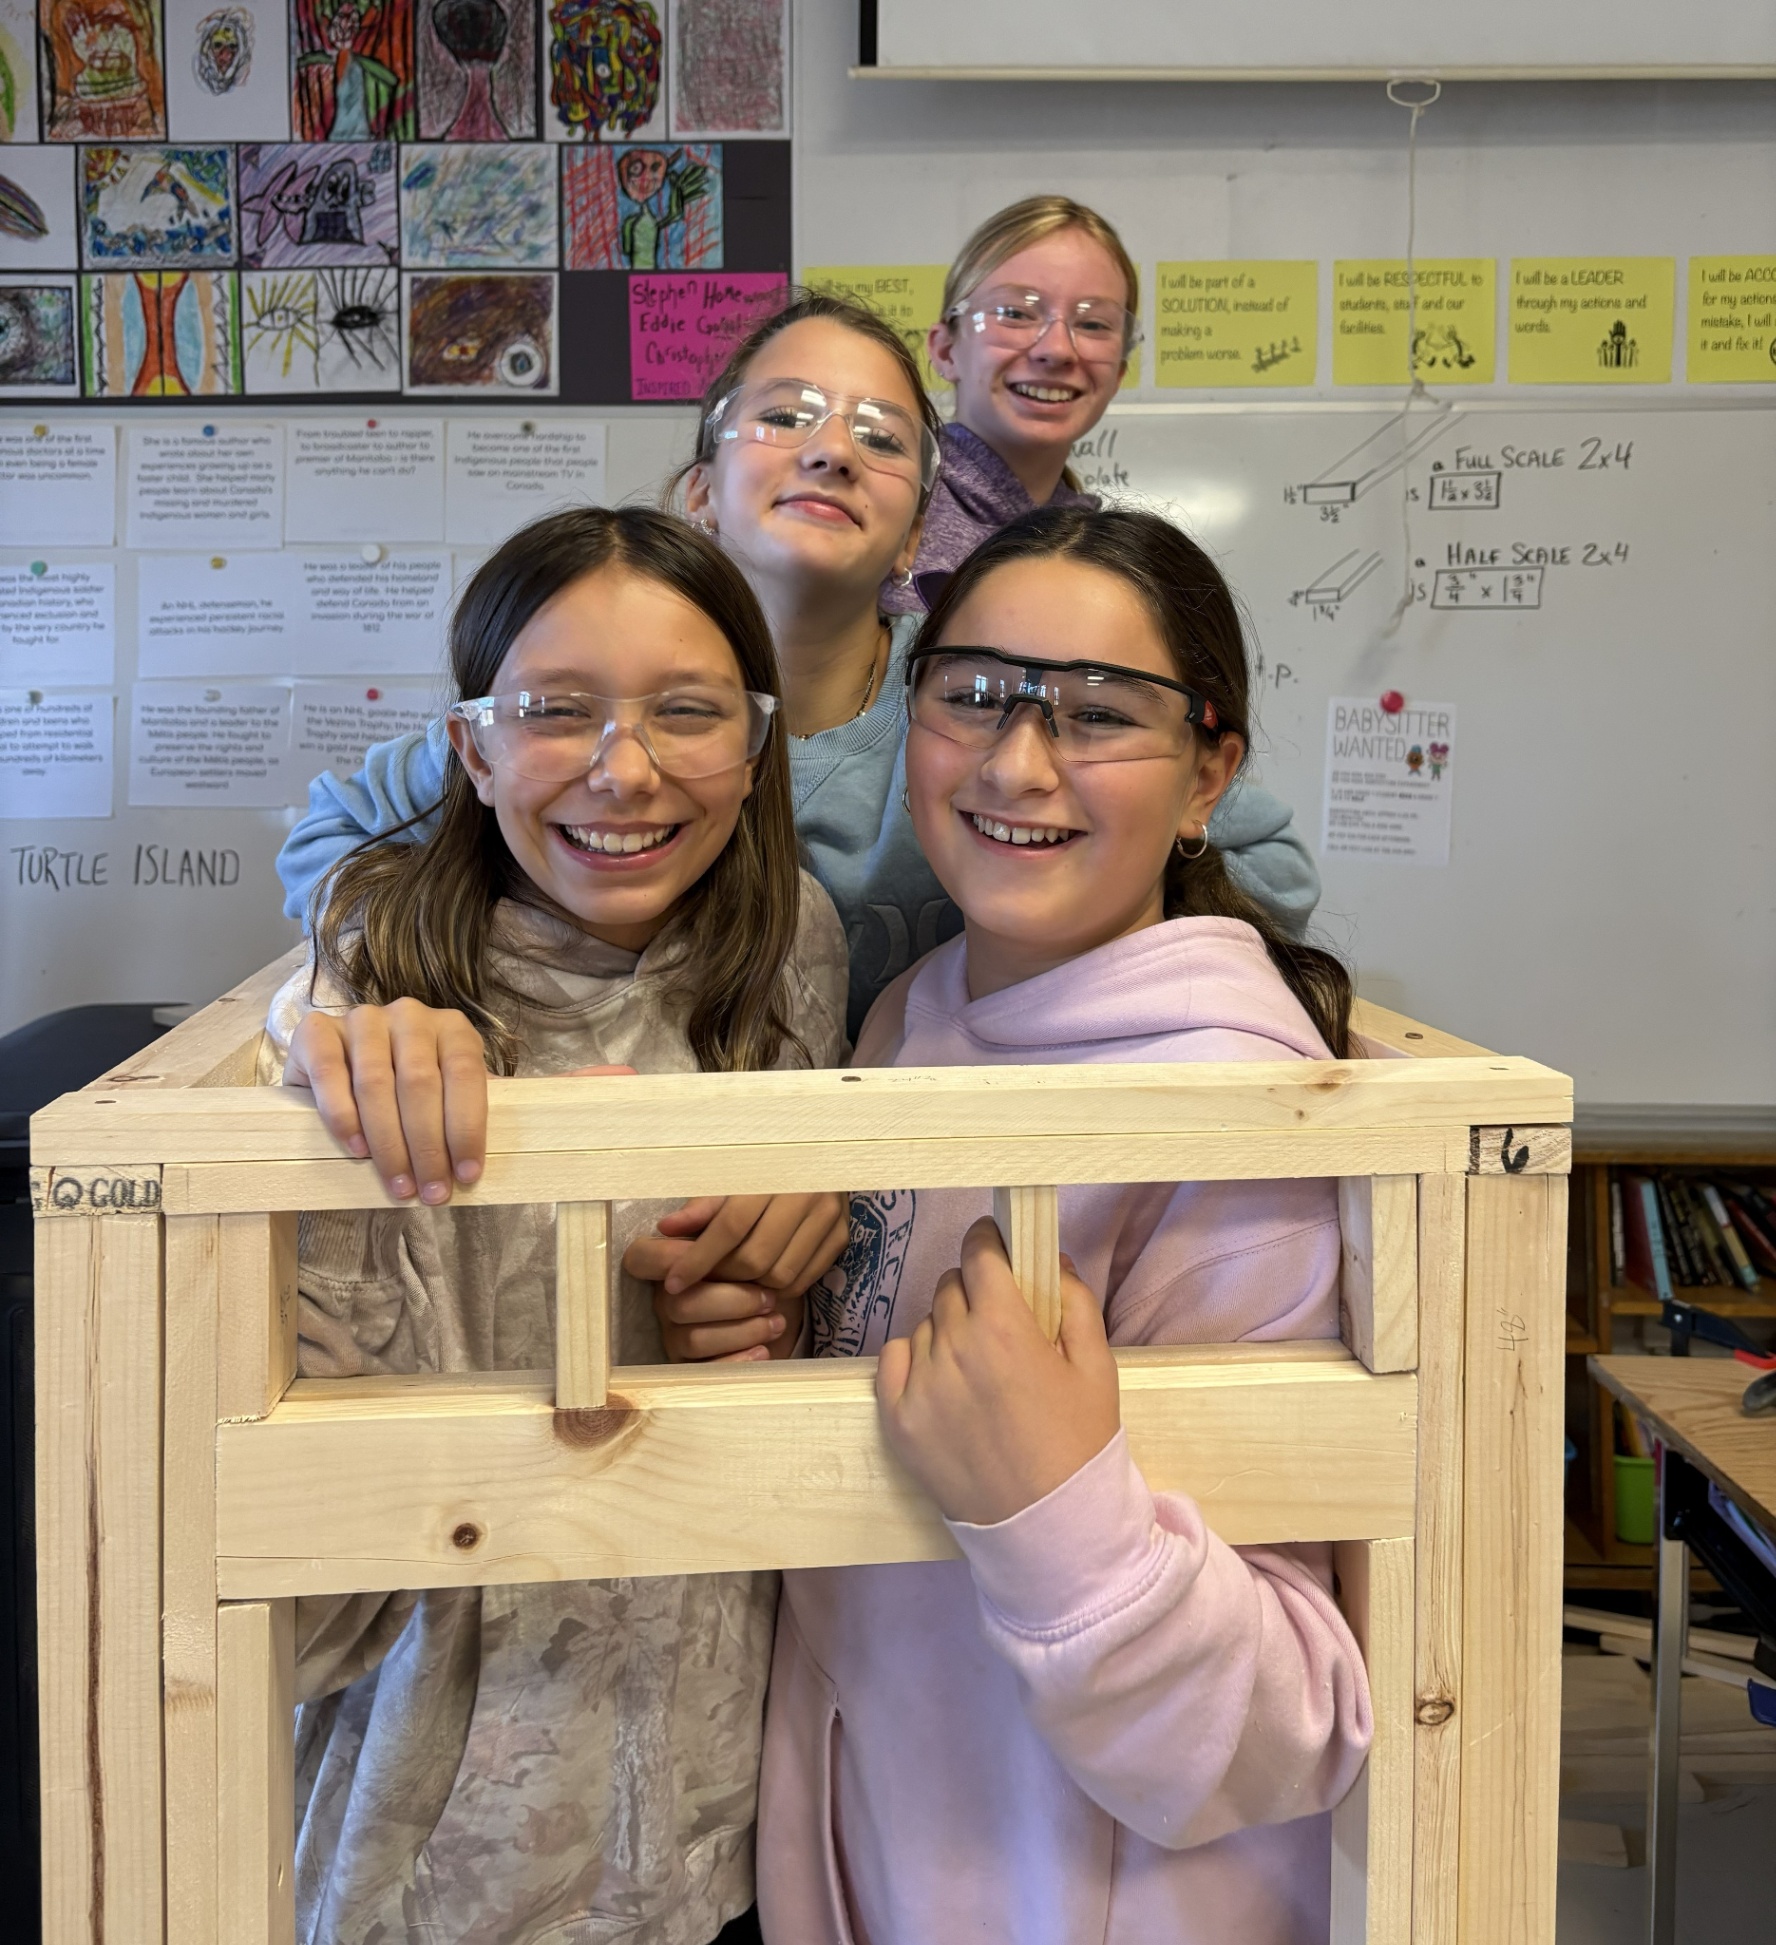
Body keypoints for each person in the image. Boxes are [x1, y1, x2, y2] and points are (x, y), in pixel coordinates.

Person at [276, 282, 1319, 1150]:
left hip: (919, 1147)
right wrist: (388, 991)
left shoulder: (979, 707)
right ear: (698, 492)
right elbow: (338, 838)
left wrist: (1057, 986)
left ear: (917, 533)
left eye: (880, 435)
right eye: (783, 416)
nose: (830, 451)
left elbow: (1245, 847)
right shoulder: (577, 719)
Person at [759, 504, 1372, 1945]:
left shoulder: (1234, 1114)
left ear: (1211, 773)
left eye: (1101, 714)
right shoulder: (920, 1009)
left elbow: (1293, 1722)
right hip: (887, 1839)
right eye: (972, 694)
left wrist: (1053, 1512)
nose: (1018, 761)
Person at [271, 505, 847, 1945]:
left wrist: (771, 1283)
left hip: (715, 1797)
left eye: (689, 712)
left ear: (760, 742)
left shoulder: (792, 947)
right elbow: (305, 1555)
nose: (625, 771)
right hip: (442, 1822)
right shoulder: (378, 992)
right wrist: (316, 1040)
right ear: (470, 750)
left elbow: (770, 1300)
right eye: (556, 713)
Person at [880, 193, 1142, 612]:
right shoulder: (882, 506)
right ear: (946, 350)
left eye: (1092, 324)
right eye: (1017, 314)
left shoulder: (1107, 558)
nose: (1057, 350)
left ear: (1118, 375)